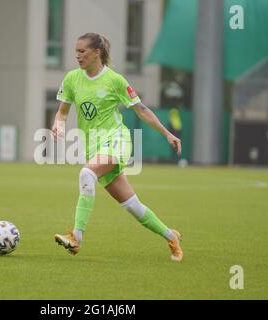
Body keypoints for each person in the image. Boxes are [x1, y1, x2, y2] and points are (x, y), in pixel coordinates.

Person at [53, 33, 183, 262]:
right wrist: (58, 125)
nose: (77, 55)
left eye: (82, 51)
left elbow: (141, 109)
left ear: (96, 53)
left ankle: (76, 237)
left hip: (116, 140)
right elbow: (62, 112)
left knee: (86, 173)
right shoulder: (72, 79)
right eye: (76, 51)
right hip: (94, 147)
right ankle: (171, 236)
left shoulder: (115, 81)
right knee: (133, 206)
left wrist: (167, 133)